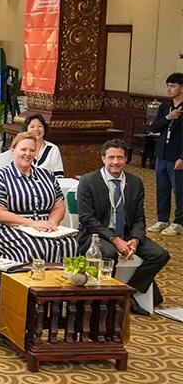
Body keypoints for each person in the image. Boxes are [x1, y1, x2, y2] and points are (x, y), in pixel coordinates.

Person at [76, 139, 170, 315]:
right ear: (103, 158)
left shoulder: (135, 182)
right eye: (111, 157)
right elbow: (87, 219)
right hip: (96, 235)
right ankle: (106, 302)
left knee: (160, 255)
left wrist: (134, 239)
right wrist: (114, 239)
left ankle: (128, 293)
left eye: (120, 157)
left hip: (127, 233)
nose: (116, 162)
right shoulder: (88, 181)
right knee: (110, 253)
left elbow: (139, 218)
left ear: (126, 159)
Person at [0, 132, 76, 263]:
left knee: (69, 243)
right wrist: (33, 224)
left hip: (44, 227)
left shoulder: (47, 175)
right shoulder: (0, 177)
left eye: (32, 150)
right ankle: (30, 283)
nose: (28, 153)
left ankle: (57, 283)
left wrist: (51, 223)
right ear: (13, 150)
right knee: (35, 246)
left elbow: (59, 206)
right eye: (23, 149)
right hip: (7, 228)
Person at [149, 72, 183, 235]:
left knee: (179, 189)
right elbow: (154, 127)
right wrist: (169, 117)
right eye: (168, 86)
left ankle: (179, 222)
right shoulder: (165, 107)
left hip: (177, 156)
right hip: (162, 154)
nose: (169, 89)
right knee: (162, 188)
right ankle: (162, 219)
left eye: (173, 86)